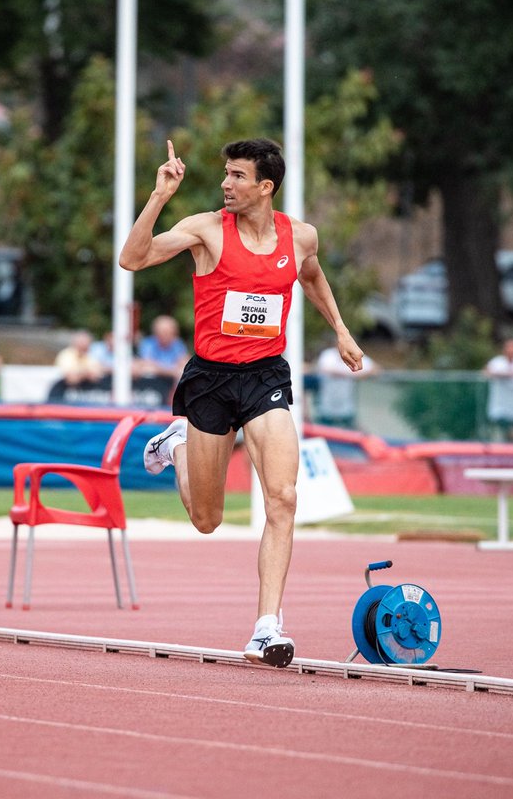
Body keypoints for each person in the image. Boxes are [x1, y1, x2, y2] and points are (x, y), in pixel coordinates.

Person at [119, 138, 364, 668]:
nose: (225, 184)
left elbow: (313, 275)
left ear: (264, 186)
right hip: (209, 379)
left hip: (264, 376)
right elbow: (131, 259)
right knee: (206, 519)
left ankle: (266, 627)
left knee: (283, 496)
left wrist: (341, 331)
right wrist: (160, 197)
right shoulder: (206, 229)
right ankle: (179, 444)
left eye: (236, 176)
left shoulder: (300, 236)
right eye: (225, 175)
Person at [315, 343, 379, 429]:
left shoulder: (354, 356)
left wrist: (353, 373)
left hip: (347, 408)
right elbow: (327, 369)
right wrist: (354, 373)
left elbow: (375, 369)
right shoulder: (328, 355)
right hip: (326, 407)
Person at [135, 314, 188, 381]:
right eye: (162, 332)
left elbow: (184, 363)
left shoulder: (177, 344)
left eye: (168, 332)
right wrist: (172, 371)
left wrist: (161, 369)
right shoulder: (148, 343)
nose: (164, 335)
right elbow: (147, 364)